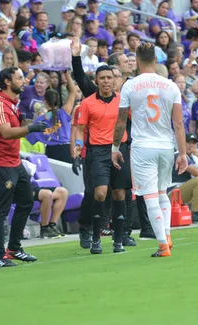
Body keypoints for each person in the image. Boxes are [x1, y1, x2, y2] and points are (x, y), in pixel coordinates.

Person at [111, 43, 188, 257]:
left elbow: (120, 122)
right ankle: (167, 236)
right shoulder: (170, 85)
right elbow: (179, 123)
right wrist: (182, 153)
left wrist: (115, 147)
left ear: (137, 61)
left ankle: (163, 245)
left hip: (143, 146)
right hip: (165, 145)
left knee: (150, 196)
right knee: (163, 192)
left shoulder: (129, 86)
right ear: (155, 60)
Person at [0, 67, 48, 268]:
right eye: (20, 78)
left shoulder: (12, 104)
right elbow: (5, 132)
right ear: (7, 82)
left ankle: (13, 248)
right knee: (1, 211)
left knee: (26, 201)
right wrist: (31, 128)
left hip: (14, 161)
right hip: (0, 164)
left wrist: (34, 123)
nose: (24, 81)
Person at [74, 65, 131, 255]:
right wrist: (78, 144)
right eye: (102, 78)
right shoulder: (88, 103)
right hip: (97, 151)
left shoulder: (123, 101)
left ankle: (118, 240)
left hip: (120, 149)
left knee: (120, 194)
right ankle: (96, 237)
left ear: (115, 81)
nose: (106, 81)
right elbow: (81, 128)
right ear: (96, 81)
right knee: (99, 193)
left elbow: (135, 120)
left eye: (109, 78)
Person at [27, 71, 77, 163]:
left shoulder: (39, 120)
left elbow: (29, 139)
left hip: (51, 152)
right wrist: (67, 74)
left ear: (44, 102)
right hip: (67, 150)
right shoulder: (64, 113)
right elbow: (73, 92)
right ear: (58, 102)